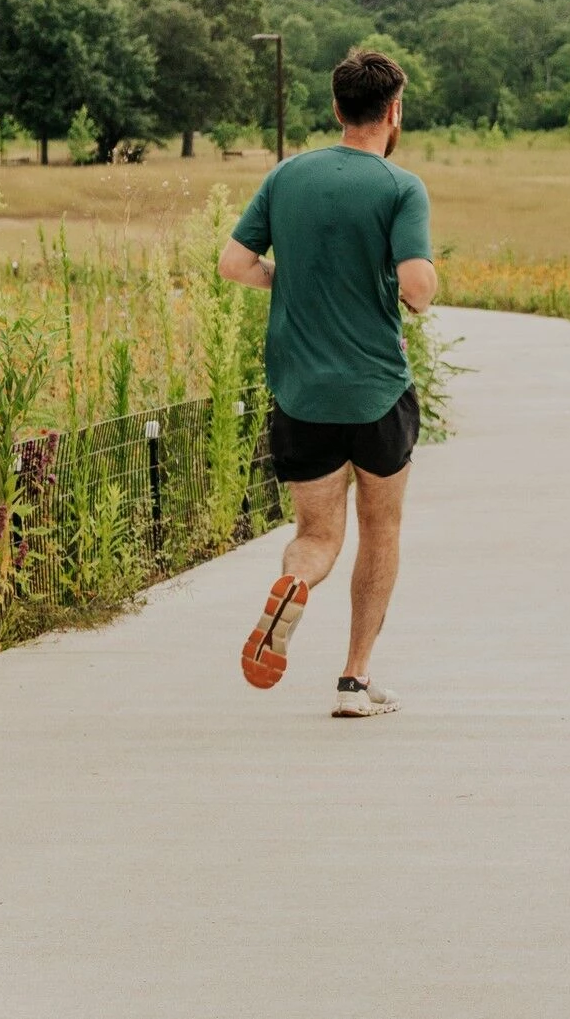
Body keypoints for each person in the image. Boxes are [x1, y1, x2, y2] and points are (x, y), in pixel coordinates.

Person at [218, 49, 436, 718]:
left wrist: (287, 282)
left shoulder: (286, 177)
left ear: (338, 109)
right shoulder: (400, 187)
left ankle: (293, 582)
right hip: (376, 393)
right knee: (381, 528)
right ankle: (354, 679)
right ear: (393, 110)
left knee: (317, 533)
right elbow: (418, 289)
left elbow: (233, 262)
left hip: (302, 394)